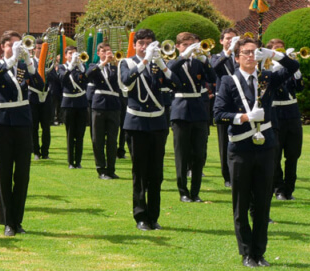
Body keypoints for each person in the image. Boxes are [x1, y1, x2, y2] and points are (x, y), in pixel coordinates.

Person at [214, 37, 299, 267]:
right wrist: (243, 117)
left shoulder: (267, 78)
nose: (251, 56)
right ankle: (246, 253)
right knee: (241, 203)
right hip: (240, 149)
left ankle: (259, 252)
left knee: (262, 202)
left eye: (254, 52)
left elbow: (293, 67)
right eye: (246, 52)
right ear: (237, 57)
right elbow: (218, 114)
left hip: (265, 148)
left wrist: (272, 54)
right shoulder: (228, 81)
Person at [119, 29, 181, 231]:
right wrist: (145, 60)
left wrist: (162, 64)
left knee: (156, 173)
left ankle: (154, 216)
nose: (145, 46)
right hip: (136, 124)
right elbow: (126, 81)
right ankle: (140, 216)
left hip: (157, 124)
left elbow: (176, 84)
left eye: (149, 43)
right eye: (141, 43)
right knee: (140, 172)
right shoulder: (127, 63)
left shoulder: (158, 65)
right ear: (135, 45)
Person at [0, 31, 44, 236]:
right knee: (4, 173)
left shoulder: (23, 66)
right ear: (3, 46)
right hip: (2, 122)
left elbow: (40, 86)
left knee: (22, 174)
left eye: (18, 44)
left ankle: (17, 220)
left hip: (22, 121)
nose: (16, 48)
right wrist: (12, 60)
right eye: (11, 45)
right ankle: (7, 222)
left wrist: (29, 62)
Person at [169, 32, 216, 203]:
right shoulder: (172, 61)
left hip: (198, 109)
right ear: (177, 46)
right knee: (182, 154)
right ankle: (183, 191)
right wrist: (183, 56)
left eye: (191, 45)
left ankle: (195, 192)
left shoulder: (197, 62)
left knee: (199, 154)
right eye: (185, 45)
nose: (188, 48)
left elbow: (212, 78)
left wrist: (204, 60)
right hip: (180, 110)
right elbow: (169, 72)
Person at [266, 39, 304, 201]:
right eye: (276, 49)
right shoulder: (269, 68)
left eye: (282, 49)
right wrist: (280, 63)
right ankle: (279, 188)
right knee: (275, 155)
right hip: (276, 114)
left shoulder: (290, 69)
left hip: (292, 113)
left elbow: (300, 87)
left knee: (293, 154)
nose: (280, 51)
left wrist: (295, 68)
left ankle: (289, 189)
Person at [86, 42, 121, 179]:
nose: (107, 53)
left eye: (109, 50)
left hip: (113, 106)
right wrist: (104, 62)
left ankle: (111, 169)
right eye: (104, 51)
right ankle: (101, 169)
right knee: (98, 139)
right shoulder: (94, 66)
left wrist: (117, 64)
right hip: (99, 106)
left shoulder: (115, 68)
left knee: (112, 140)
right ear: (99, 53)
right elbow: (89, 74)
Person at [210, 28, 240, 188]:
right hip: (224, 102)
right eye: (228, 38)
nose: (231, 41)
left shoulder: (240, 57)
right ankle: (227, 176)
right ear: (221, 41)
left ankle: (239, 172)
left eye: (234, 38)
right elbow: (214, 68)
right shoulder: (216, 56)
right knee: (224, 141)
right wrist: (228, 52)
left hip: (240, 102)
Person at [58, 46, 88, 169]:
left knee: (80, 134)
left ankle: (78, 161)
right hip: (68, 103)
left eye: (75, 53)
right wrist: (70, 66)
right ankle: (71, 161)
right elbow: (62, 79)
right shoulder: (62, 67)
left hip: (81, 103)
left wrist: (80, 66)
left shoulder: (81, 67)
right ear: (66, 55)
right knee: (70, 133)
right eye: (70, 53)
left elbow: (87, 80)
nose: (73, 55)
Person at [29, 38, 53, 160]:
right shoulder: (30, 62)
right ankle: (35, 152)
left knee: (46, 127)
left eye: (42, 49)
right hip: (33, 96)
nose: (40, 51)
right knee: (34, 127)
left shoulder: (49, 63)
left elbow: (54, 79)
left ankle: (45, 152)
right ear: (34, 50)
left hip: (46, 97)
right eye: (38, 48)